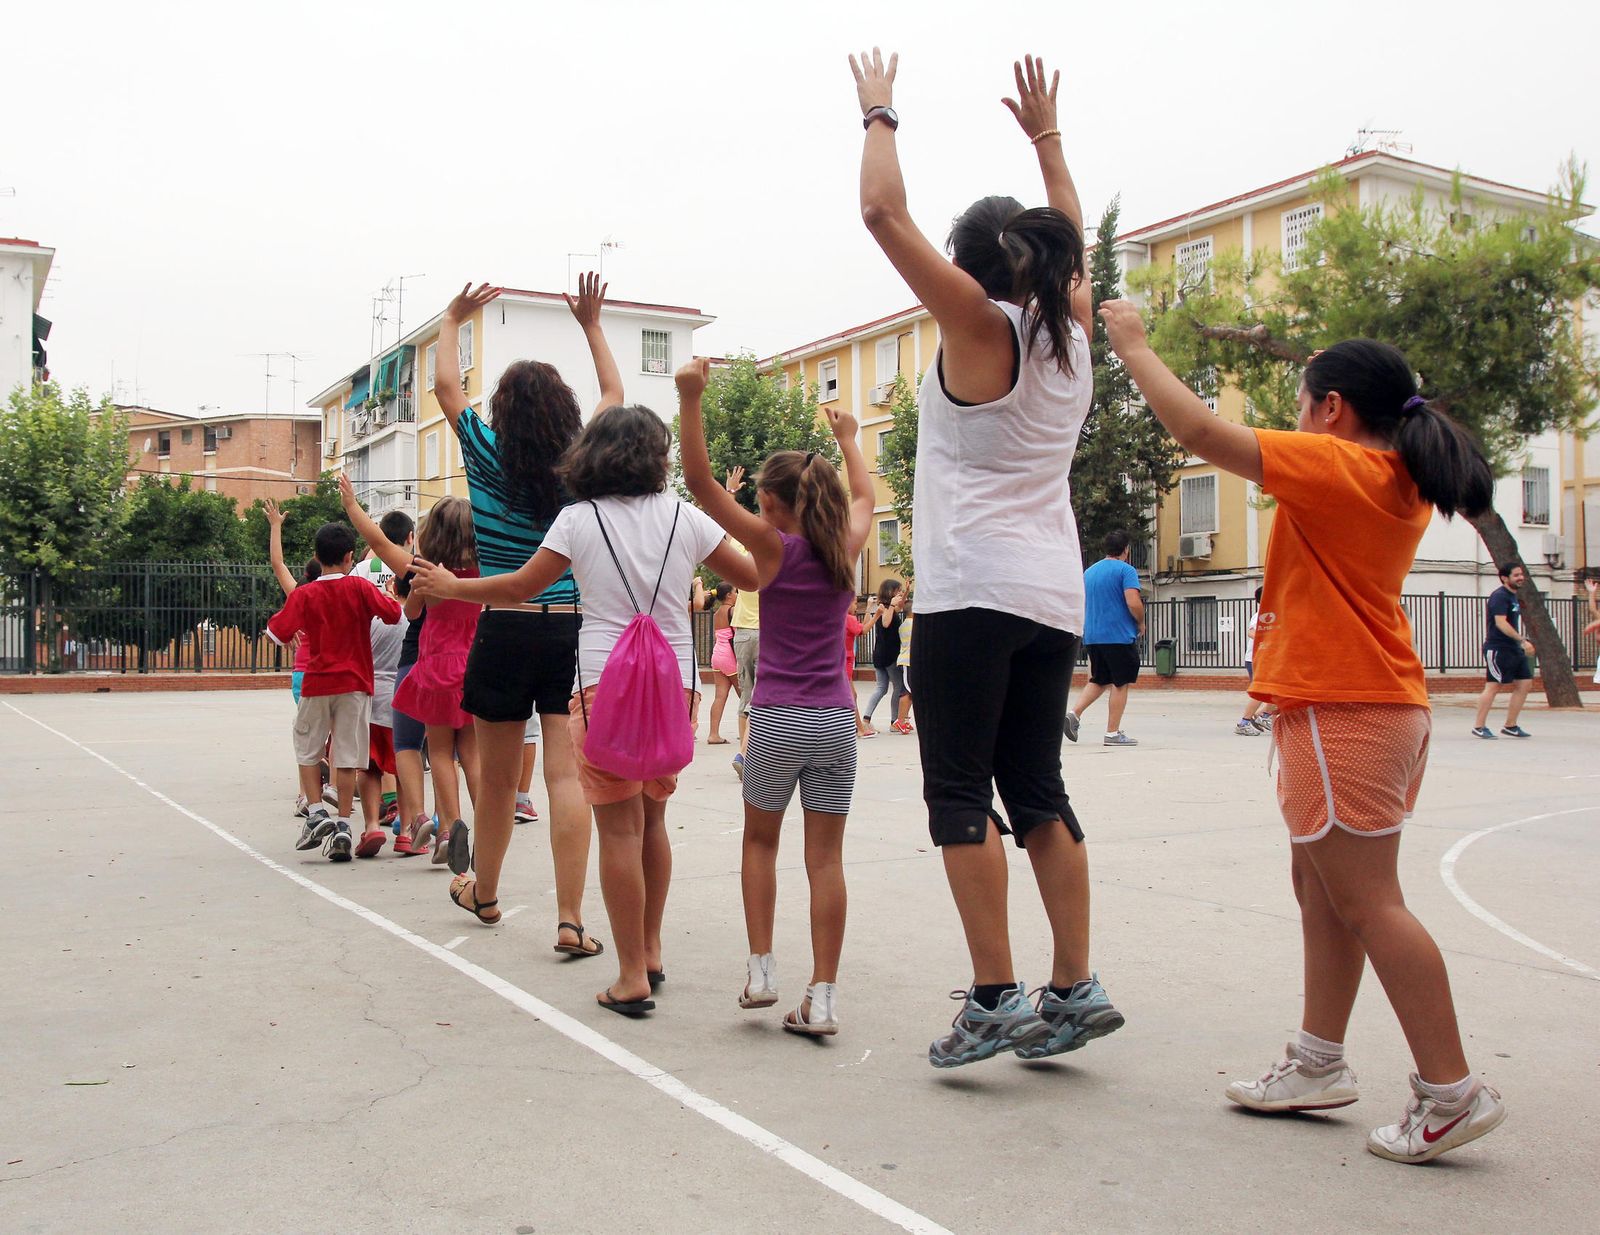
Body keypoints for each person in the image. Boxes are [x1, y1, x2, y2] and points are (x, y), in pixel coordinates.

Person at [1101, 300, 1507, 1163]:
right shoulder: (1389, 478)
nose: (1294, 420)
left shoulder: (1338, 466)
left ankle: (1451, 1091)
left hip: (1344, 707)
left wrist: (1134, 345)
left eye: (1299, 402)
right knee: (1323, 889)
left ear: (1332, 409)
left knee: (1368, 901)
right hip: (1374, 704)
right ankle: (1319, 1061)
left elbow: (1201, 433)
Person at [853, 49, 1122, 1067]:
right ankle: (1072, 985)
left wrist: (879, 111)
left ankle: (997, 996)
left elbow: (882, 216)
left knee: (959, 794)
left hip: (969, 593)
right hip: (1049, 595)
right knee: (1040, 790)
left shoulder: (974, 325)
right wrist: (1047, 137)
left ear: (969, 270)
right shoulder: (1073, 335)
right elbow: (1075, 236)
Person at [414, 397, 758, 1014]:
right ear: (656, 457)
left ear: (593, 455)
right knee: (653, 820)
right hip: (673, 686)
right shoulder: (685, 518)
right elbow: (755, 576)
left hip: (600, 686)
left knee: (619, 828)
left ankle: (630, 977)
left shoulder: (578, 519)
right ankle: (650, 952)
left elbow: (519, 588)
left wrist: (450, 586)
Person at [682, 358, 874, 1037]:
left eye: (763, 502)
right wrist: (850, 436)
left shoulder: (771, 549)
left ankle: (762, 970)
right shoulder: (843, 551)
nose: (759, 511)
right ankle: (821, 997)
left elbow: (703, 485)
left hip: (778, 720)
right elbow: (865, 499)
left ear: (779, 506)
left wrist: (690, 396)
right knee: (826, 859)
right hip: (834, 722)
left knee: (760, 843)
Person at [437, 275, 620, 959]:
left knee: (494, 779)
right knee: (566, 777)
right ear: (562, 410)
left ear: (504, 413)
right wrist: (592, 324)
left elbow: (447, 391)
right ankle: (571, 919)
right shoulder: (583, 462)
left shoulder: (486, 456)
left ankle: (483, 892)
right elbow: (613, 396)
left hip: (505, 622)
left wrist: (454, 319)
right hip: (570, 624)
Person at [266, 520, 402, 861]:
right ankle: (343, 822)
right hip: (356, 684)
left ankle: (315, 812)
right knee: (347, 755)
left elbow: (278, 631)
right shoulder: (359, 588)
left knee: (308, 748)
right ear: (349, 557)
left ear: (316, 556)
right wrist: (386, 596)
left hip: (317, 682)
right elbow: (392, 613)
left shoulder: (305, 593)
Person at [371, 490, 482, 875]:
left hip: (435, 666)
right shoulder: (480, 572)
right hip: (473, 667)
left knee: (440, 752)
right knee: (471, 753)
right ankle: (487, 826)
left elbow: (411, 614)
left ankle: (449, 829)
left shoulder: (425, 573)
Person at [264, 499, 322, 817]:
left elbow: (278, 564)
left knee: (307, 736)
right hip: (332, 675)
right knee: (330, 737)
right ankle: (331, 787)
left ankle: (306, 795)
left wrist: (276, 527)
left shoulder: (299, 595)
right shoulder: (344, 592)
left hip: (303, 674)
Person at [1065, 529, 1144, 746]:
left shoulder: (1089, 572)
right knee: (1121, 682)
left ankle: (1073, 714)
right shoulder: (1125, 570)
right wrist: (1140, 622)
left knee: (1100, 679)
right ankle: (1112, 733)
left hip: (1093, 635)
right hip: (1118, 636)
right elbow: (1133, 602)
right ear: (1126, 549)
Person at [1471, 562, 1537, 739]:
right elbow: (1500, 623)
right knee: (1493, 686)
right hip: (1498, 648)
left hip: (1514, 649)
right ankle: (1479, 726)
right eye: (1516, 575)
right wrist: (1522, 640)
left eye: (1521, 574)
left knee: (1525, 683)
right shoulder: (1500, 596)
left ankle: (1510, 725)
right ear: (1504, 578)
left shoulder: (1513, 596)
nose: (1520, 577)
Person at [859, 580, 906, 733]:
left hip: (879, 654)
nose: (900, 593)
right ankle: (894, 721)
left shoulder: (883, 607)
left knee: (881, 688)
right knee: (898, 687)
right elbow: (886, 623)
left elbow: (902, 605)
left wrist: (907, 591)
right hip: (889, 655)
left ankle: (866, 719)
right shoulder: (885, 608)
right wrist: (891, 606)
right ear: (890, 591)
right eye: (898, 590)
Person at [1236, 585, 1275, 736]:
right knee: (1262, 691)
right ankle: (1244, 723)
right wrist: (1266, 638)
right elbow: (1250, 632)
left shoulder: (1273, 614)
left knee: (1276, 690)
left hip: (1268, 658)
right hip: (1255, 659)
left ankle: (1263, 716)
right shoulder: (1260, 614)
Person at [705, 582, 740, 743]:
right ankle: (748, 732)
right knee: (745, 696)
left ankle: (713, 734)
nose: (737, 595)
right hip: (730, 657)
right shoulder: (732, 611)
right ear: (729, 595)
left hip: (717, 655)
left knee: (720, 697)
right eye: (735, 592)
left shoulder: (717, 612)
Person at [844, 605, 870, 737]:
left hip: (843, 658)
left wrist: (869, 609)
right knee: (851, 695)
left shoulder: (843, 618)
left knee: (852, 695)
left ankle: (857, 726)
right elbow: (864, 630)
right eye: (854, 602)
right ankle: (859, 728)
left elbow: (860, 628)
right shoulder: (848, 618)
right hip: (845, 659)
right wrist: (876, 615)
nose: (855, 606)